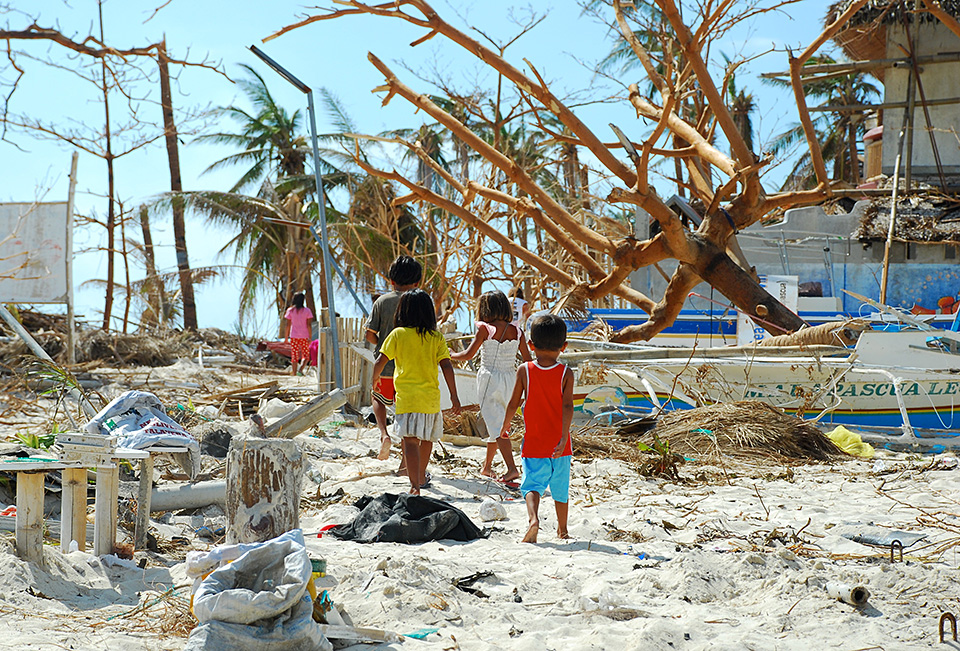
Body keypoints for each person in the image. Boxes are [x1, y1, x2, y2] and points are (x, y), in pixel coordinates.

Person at [372, 289, 461, 494]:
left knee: (410, 441)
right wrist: (454, 396)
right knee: (427, 439)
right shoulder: (436, 337)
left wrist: (375, 379)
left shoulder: (398, 335)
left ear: (402, 312)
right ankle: (421, 477)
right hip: (430, 399)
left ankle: (414, 485)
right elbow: (447, 366)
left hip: (407, 399)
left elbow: (380, 361)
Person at [500, 314, 573, 543]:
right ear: (564, 346)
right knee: (561, 490)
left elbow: (513, 403)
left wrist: (505, 424)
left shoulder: (525, 370)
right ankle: (563, 530)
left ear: (531, 345)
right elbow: (568, 406)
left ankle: (533, 520)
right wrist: (563, 437)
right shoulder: (565, 373)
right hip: (561, 444)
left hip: (534, 442)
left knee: (532, 485)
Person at [450, 290, 531, 483]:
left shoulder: (485, 329)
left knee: (496, 425)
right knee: (499, 423)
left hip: (490, 380)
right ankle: (487, 467)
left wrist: (452, 354)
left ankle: (511, 468)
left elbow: (468, 355)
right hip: (511, 380)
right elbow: (528, 360)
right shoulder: (517, 331)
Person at [365, 256, 422, 463]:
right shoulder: (420, 302)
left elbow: (370, 334)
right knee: (406, 412)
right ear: (417, 283)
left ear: (391, 280)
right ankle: (405, 460)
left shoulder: (383, 301)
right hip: (411, 367)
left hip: (386, 364)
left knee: (378, 398)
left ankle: (384, 433)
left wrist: (383, 342)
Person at [282, 292, 313, 376]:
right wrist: (310, 336)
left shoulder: (290, 310)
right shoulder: (307, 311)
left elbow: (288, 325)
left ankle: (294, 372)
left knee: (294, 355)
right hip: (304, 336)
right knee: (306, 355)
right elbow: (309, 325)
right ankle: (301, 369)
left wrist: (285, 337)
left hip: (294, 336)